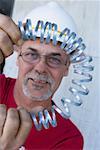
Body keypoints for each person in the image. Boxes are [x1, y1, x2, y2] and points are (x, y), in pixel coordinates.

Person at [0, 3, 84, 150]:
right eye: (31, 55)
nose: (40, 68)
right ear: (18, 57)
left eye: (54, 59)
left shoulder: (68, 138)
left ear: (67, 67)